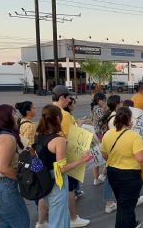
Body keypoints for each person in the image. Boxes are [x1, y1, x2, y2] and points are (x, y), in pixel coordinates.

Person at [35, 104, 92, 227]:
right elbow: (62, 168)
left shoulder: (39, 135)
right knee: (59, 217)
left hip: (43, 178)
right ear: (57, 118)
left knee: (57, 213)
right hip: (56, 179)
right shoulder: (58, 140)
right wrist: (82, 159)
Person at [101, 107, 143, 228]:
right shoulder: (134, 136)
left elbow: (104, 155)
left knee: (123, 203)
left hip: (112, 172)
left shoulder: (108, 134)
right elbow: (141, 158)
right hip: (129, 176)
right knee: (125, 208)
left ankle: (132, 224)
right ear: (129, 120)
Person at [0, 105, 30, 227]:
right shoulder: (7, 138)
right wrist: (22, 179)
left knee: (6, 224)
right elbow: (3, 168)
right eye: (13, 113)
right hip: (4, 187)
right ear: (5, 117)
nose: (17, 116)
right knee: (21, 224)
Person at [52, 85, 91, 227]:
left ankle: (42, 220)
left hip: (51, 154)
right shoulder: (65, 114)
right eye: (68, 98)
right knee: (69, 188)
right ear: (62, 98)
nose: (69, 101)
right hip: (65, 155)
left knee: (54, 189)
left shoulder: (48, 110)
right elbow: (72, 138)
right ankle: (73, 218)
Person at [90, 93, 108, 186]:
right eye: (104, 100)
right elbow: (103, 120)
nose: (105, 102)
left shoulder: (94, 108)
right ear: (99, 100)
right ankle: (103, 175)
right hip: (100, 134)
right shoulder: (98, 108)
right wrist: (106, 110)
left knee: (96, 156)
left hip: (95, 133)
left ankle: (96, 178)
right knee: (107, 154)